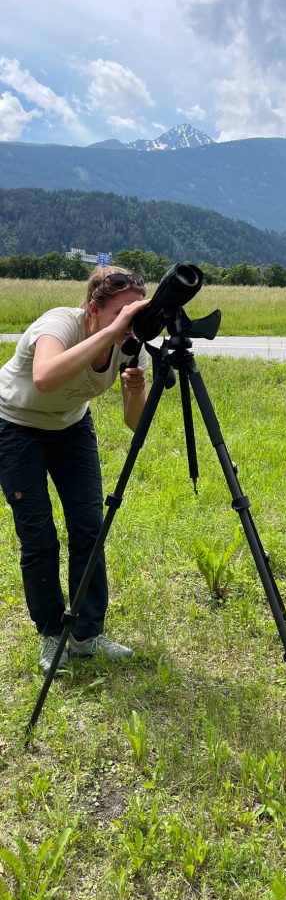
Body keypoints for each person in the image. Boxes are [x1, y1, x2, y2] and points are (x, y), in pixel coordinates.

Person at [0, 266, 150, 675]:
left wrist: (135, 391)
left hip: (70, 427)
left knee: (89, 525)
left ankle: (86, 634)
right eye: (122, 311)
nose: (129, 320)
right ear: (93, 310)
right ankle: (52, 633)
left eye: (136, 311)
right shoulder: (58, 324)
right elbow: (45, 377)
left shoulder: (128, 342)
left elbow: (135, 423)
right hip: (15, 425)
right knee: (38, 534)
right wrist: (112, 331)